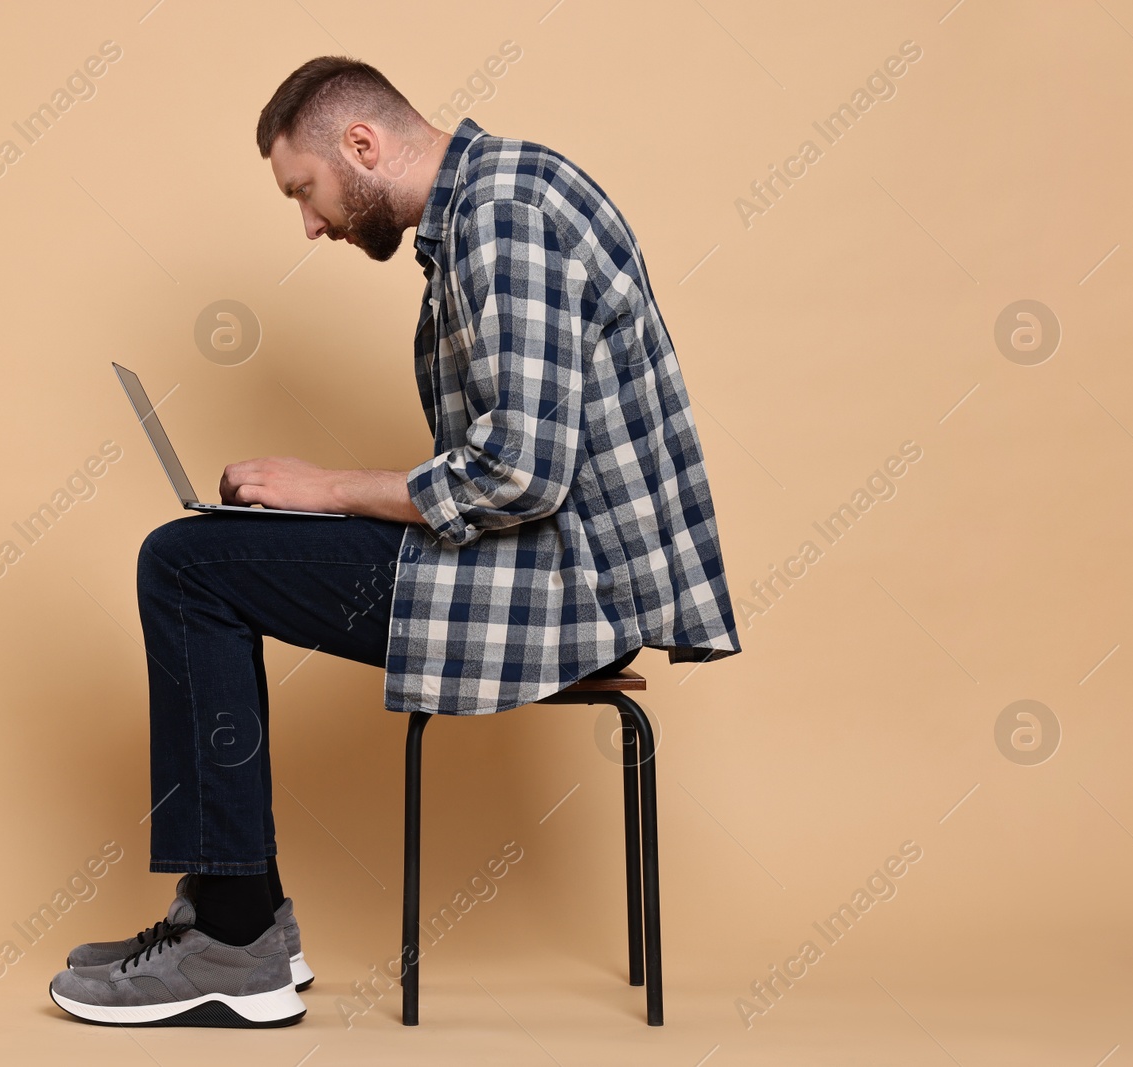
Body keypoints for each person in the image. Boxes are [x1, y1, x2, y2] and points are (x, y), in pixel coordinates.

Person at [49, 56, 742, 1028]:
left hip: (558, 591)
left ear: (361, 147)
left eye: (307, 190)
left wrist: (325, 487)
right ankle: (231, 919)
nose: (311, 223)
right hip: (537, 570)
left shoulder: (506, 215)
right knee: (207, 553)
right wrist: (320, 508)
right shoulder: (484, 209)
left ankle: (233, 933)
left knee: (184, 564)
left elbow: (520, 474)